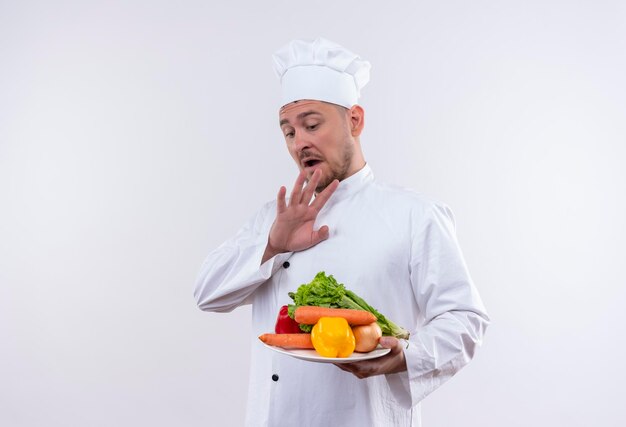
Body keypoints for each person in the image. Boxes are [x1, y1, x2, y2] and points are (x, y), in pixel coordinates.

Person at [195, 37, 489, 426]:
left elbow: (465, 318)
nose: (300, 142)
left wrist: (406, 355)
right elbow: (207, 295)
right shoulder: (275, 218)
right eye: (288, 132)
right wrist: (272, 246)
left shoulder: (414, 214)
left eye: (312, 124)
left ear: (355, 120)